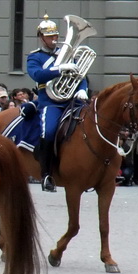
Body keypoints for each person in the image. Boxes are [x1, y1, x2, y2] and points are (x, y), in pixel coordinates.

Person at [27, 14, 89, 192]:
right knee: (49, 132)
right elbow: (37, 75)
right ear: (41, 37)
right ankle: (46, 174)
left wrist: (83, 88)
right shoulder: (35, 58)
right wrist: (58, 69)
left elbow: (80, 74)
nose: (55, 39)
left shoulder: (67, 55)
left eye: (56, 36)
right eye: (50, 36)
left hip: (73, 101)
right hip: (50, 102)